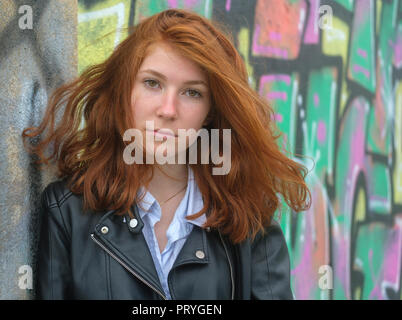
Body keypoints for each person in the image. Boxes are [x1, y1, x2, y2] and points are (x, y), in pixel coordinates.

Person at [22, 8, 311, 300]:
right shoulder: (66, 211)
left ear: (210, 112)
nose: (168, 110)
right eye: (152, 83)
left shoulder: (249, 216)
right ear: (124, 90)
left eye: (192, 93)